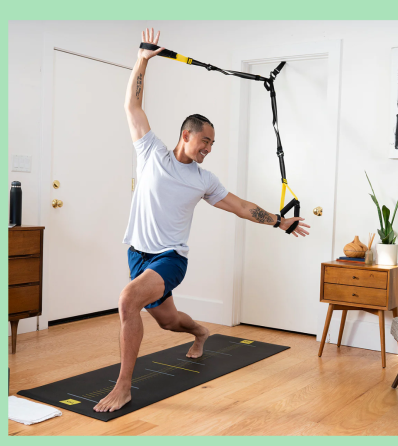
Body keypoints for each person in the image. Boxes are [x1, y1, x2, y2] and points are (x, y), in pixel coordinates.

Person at [93, 28, 311, 413]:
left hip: (170, 258)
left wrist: (280, 221)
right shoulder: (151, 153)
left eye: (212, 145)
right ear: (185, 135)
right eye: (205, 142)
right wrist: (142, 60)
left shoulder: (204, 179)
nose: (209, 149)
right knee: (169, 320)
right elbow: (132, 106)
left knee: (127, 301)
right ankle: (200, 331)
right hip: (138, 255)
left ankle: (123, 386)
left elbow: (241, 206)